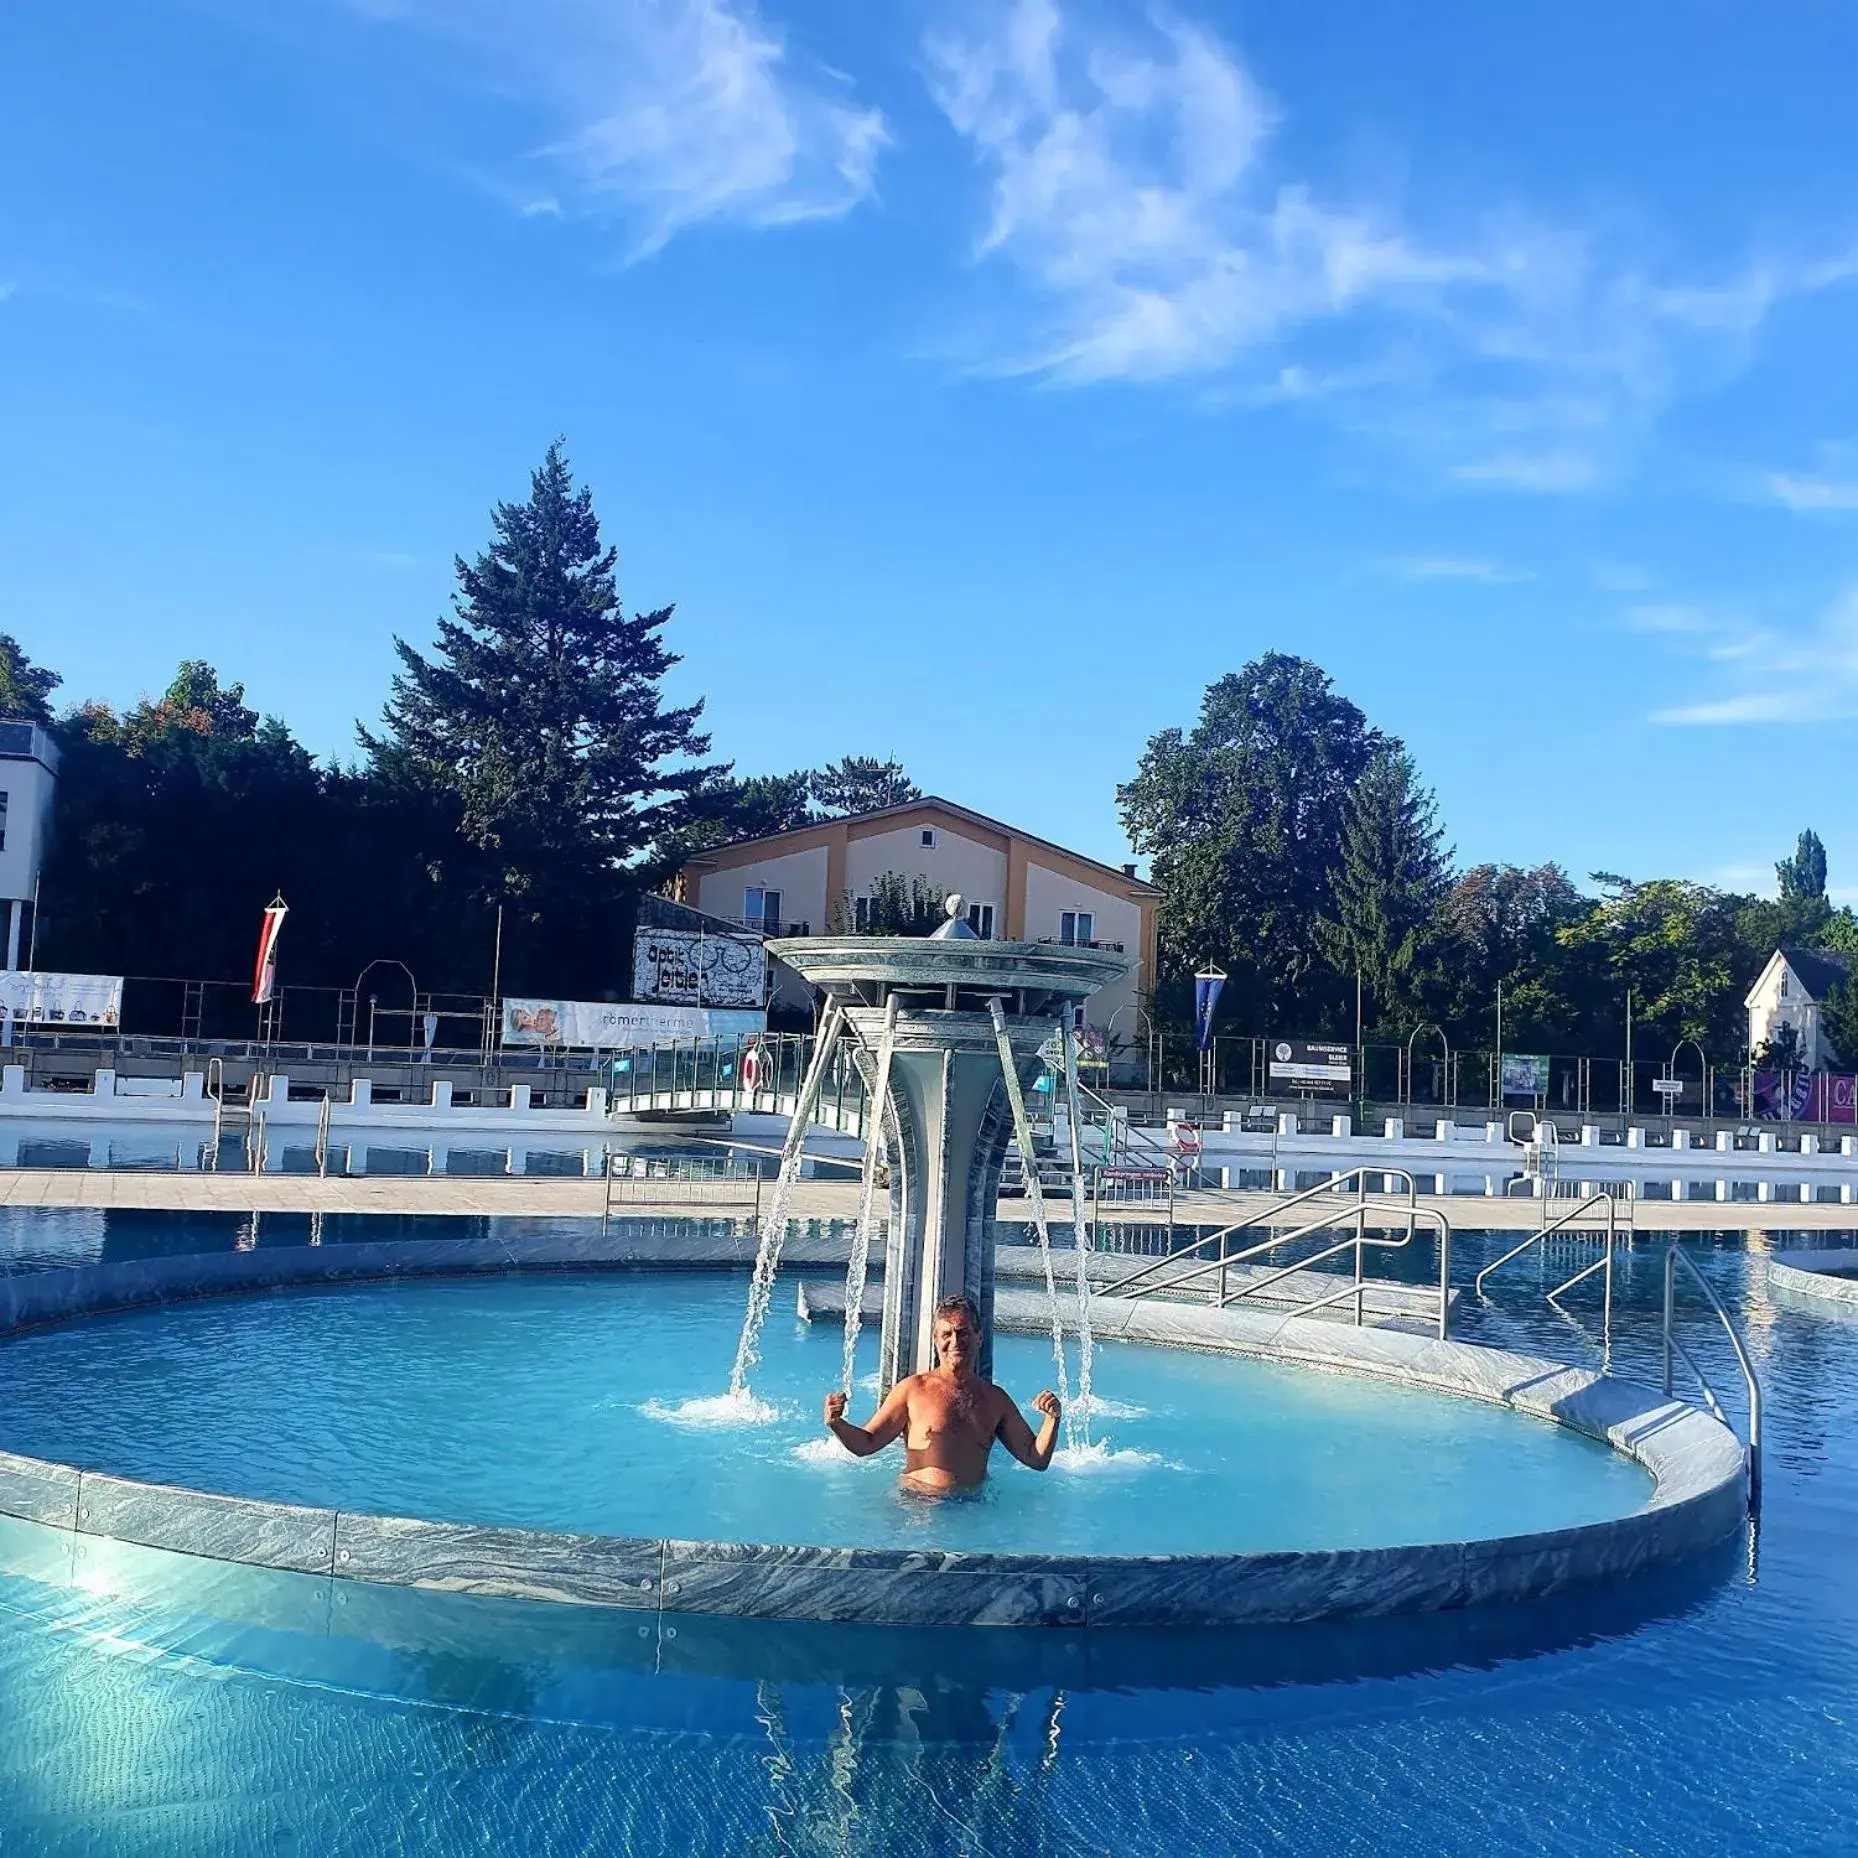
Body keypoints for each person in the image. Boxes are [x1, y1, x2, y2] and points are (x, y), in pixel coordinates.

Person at [821, 1292, 1061, 1492]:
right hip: (918, 1506)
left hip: (972, 1509)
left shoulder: (995, 1399)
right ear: (936, 1340)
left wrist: (1052, 1419)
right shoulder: (912, 1390)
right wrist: (836, 1423)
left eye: (963, 1332)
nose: (955, 1341)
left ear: (979, 1338)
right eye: (947, 1334)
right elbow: (867, 1443)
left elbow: (1036, 1458)